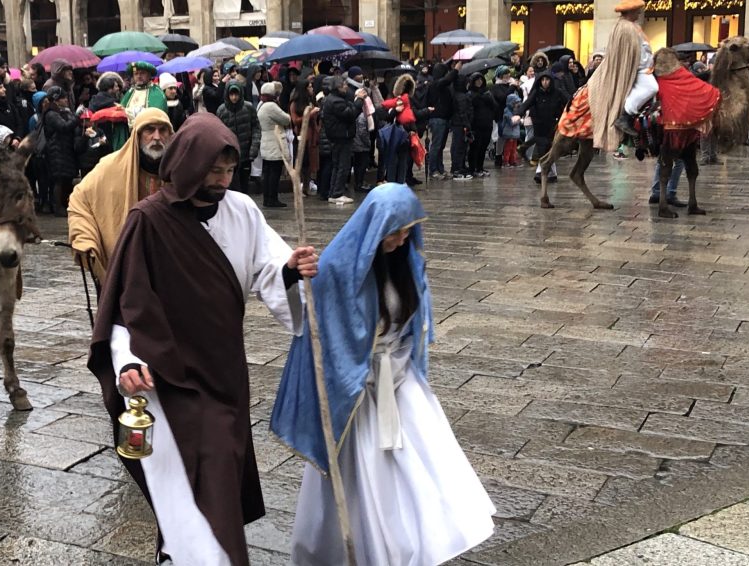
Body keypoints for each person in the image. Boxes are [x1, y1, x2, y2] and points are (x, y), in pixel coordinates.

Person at [87, 113, 318, 566]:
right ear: (188, 164)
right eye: (214, 170)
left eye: (229, 171)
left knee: (221, 473)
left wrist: (291, 270)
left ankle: (176, 555)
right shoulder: (148, 221)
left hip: (224, 370)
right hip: (167, 374)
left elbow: (269, 269)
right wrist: (127, 364)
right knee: (191, 480)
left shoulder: (243, 210)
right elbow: (124, 306)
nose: (223, 179)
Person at [271, 182, 496, 566]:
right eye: (394, 232)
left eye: (408, 231)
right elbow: (307, 326)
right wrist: (293, 276)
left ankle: (413, 544)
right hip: (356, 392)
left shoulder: (406, 264)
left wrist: (400, 370)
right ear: (374, 229)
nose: (401, 239)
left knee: (417, 470)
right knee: (362, 477)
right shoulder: (338, 271)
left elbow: (411, 327)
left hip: (399, 382)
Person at [69, 108, 172, 284]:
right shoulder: (110, 167)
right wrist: (84, 238)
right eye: (149, 130)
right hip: (124, 268)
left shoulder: (181, 171)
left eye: (162, 130)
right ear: (137, 135)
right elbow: (79, 201)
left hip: (169, 269)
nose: (156, 137)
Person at [589, 0, 659, 146]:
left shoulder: (632, 26)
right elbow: (629, 52)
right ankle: (626, 115)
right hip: (638, 68)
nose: (640, 13)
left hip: (644, 66)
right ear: (630, 12)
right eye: (637, 11)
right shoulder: (625, 28)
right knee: (652, 87)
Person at [322, 75, 366, 204]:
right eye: (344, 85)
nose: (346, 87)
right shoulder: (336, 101)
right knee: (343, 165)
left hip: (338, 136)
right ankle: (337, 193)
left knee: (337, 165)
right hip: (341, 136)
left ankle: (333, 192)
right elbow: (350, 114)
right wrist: (359, 100)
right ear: (338, 86)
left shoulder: (335, 98)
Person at [42, 86, 80, 216]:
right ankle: (57, 206)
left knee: (66, 178)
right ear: (56, 100)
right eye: (63, 98)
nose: (66, 100)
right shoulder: (51, 114)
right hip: (56, 149)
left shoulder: (63, 111)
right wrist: (76, 117)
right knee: (59, 179)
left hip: (65, 149)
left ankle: (64, 204)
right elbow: (63, 127)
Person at [216, 81, 259, 193]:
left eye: (236, 94)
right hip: (229, 155)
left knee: (244, 186)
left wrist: (253, 149)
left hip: (245, 155)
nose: (234, 97)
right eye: (231, 94)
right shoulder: (221, 110)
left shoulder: (248, 108)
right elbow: (218, 132)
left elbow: (256, 128)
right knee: (231, 186)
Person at [257, 81, 291, 208]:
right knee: (274, 173)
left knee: (267, 172)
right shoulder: (271, 106)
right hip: (274, 142)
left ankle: (267, 198)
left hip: (266, 141)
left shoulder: (261, 104)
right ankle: (273, 198)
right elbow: (286, 119)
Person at [121, 61, 167, 129]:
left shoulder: (157, 92)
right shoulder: (130, 92)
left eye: (142, 73)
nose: (139, 76)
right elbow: (122, 109)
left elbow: (157, 116)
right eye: (136, 74)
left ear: (149, 75)